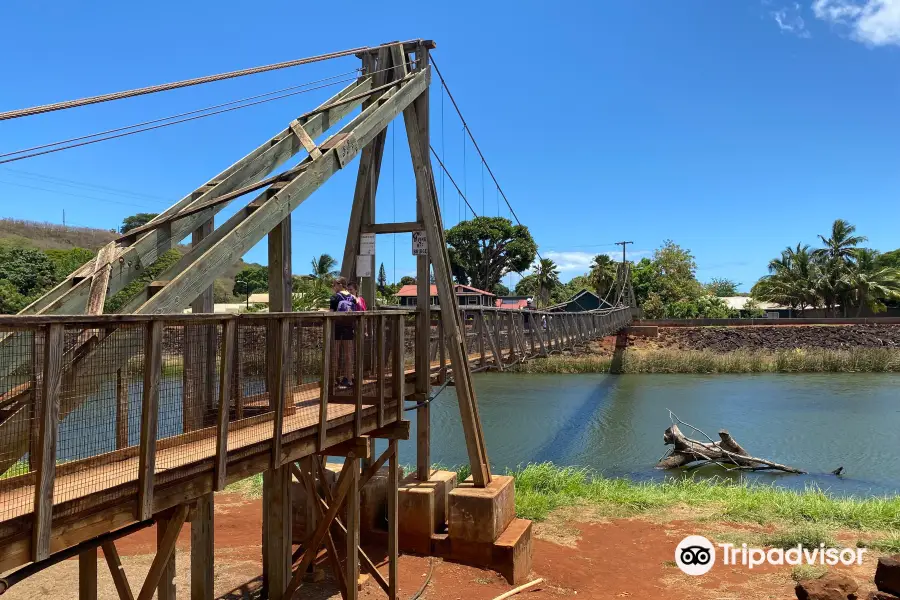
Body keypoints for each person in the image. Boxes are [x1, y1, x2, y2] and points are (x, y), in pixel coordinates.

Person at [330, 277, 357, 388]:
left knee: (335, 354)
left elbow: (331, 313)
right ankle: (349, 379)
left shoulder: (334, 297)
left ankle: (334, 380)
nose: (333, 287)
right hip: (349, 328)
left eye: (334, 285)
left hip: (337, 328)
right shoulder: (353, 298)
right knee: (348, 355)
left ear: (340, 284)